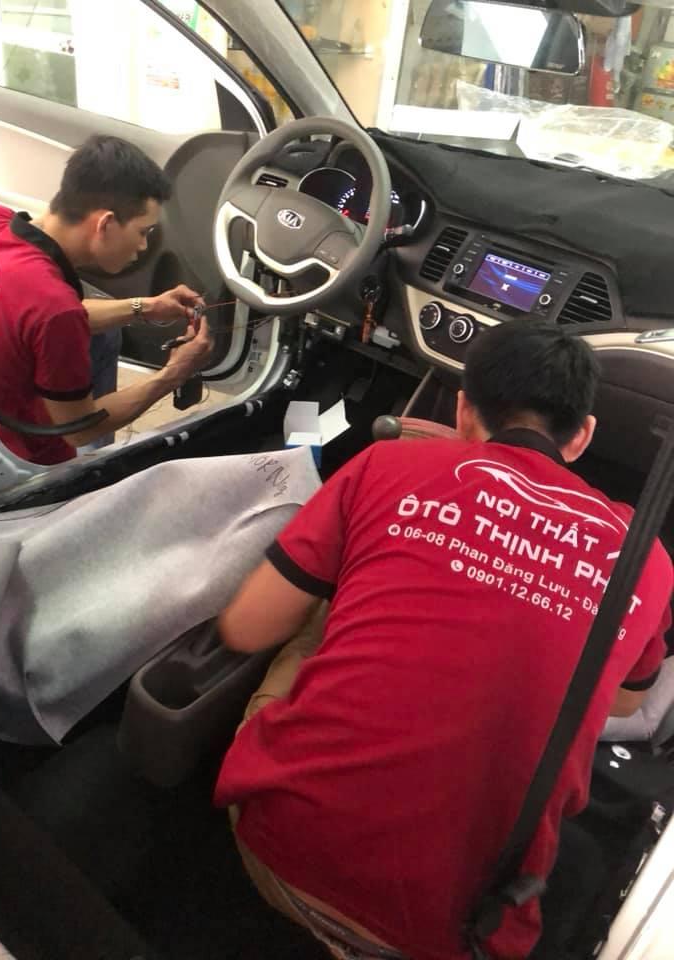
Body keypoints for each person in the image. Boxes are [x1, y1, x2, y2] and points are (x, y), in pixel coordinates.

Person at [214, 321, 673, 960]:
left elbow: (244, 629)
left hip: (277, 848)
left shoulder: (388, 463)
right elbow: (623, 702)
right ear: (583, 435)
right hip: (462, 935)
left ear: (462, 408)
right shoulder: (647, 561)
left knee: (329, 601)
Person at [0, 134, 211, 465]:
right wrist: (174, 372)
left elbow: (31, 315)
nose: (143, 246)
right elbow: (78, 429)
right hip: (21, 463)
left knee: (107, 334)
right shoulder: (55, 307)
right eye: (143, 232)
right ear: (105, 224)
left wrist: (146, 307)